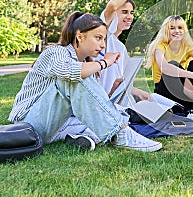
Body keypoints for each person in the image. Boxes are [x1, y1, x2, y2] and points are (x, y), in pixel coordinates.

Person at [8, 12, 162, 152]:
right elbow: (69, 73)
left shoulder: (86, 65)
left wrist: (114, 91)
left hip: (58, 125)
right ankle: (121, 135)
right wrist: (104, 63)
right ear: (80, 36)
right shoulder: (56, 52)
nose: (103, 45)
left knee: (117, 115)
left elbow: (89, 105)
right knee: (73, 78)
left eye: (104, 39)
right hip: (28, 125)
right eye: (98, 38)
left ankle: (86, 138)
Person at [145, 15, 193, 113]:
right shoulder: (159, 46)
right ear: (166, 31)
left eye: (180, 28)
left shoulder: (187, 46)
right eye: (172, 28)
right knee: (173, 65)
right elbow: (165, 68)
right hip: (165, 90)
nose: (177, 31)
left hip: (182, 90)